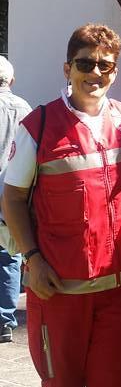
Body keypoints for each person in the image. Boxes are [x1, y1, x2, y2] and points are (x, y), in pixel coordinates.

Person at [3, 24, 121, 387]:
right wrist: (32, 259)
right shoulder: (40, 123)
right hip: (59, 289)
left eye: (105, 65)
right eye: (85, 63)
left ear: (115, 72)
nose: (95, 73)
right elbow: (11, 197)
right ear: (68, 68)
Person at [0, 55, 31, 343]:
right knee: (9, 256)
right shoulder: (24, 108)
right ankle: (5, 320)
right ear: (11, 80)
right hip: (11, 189)